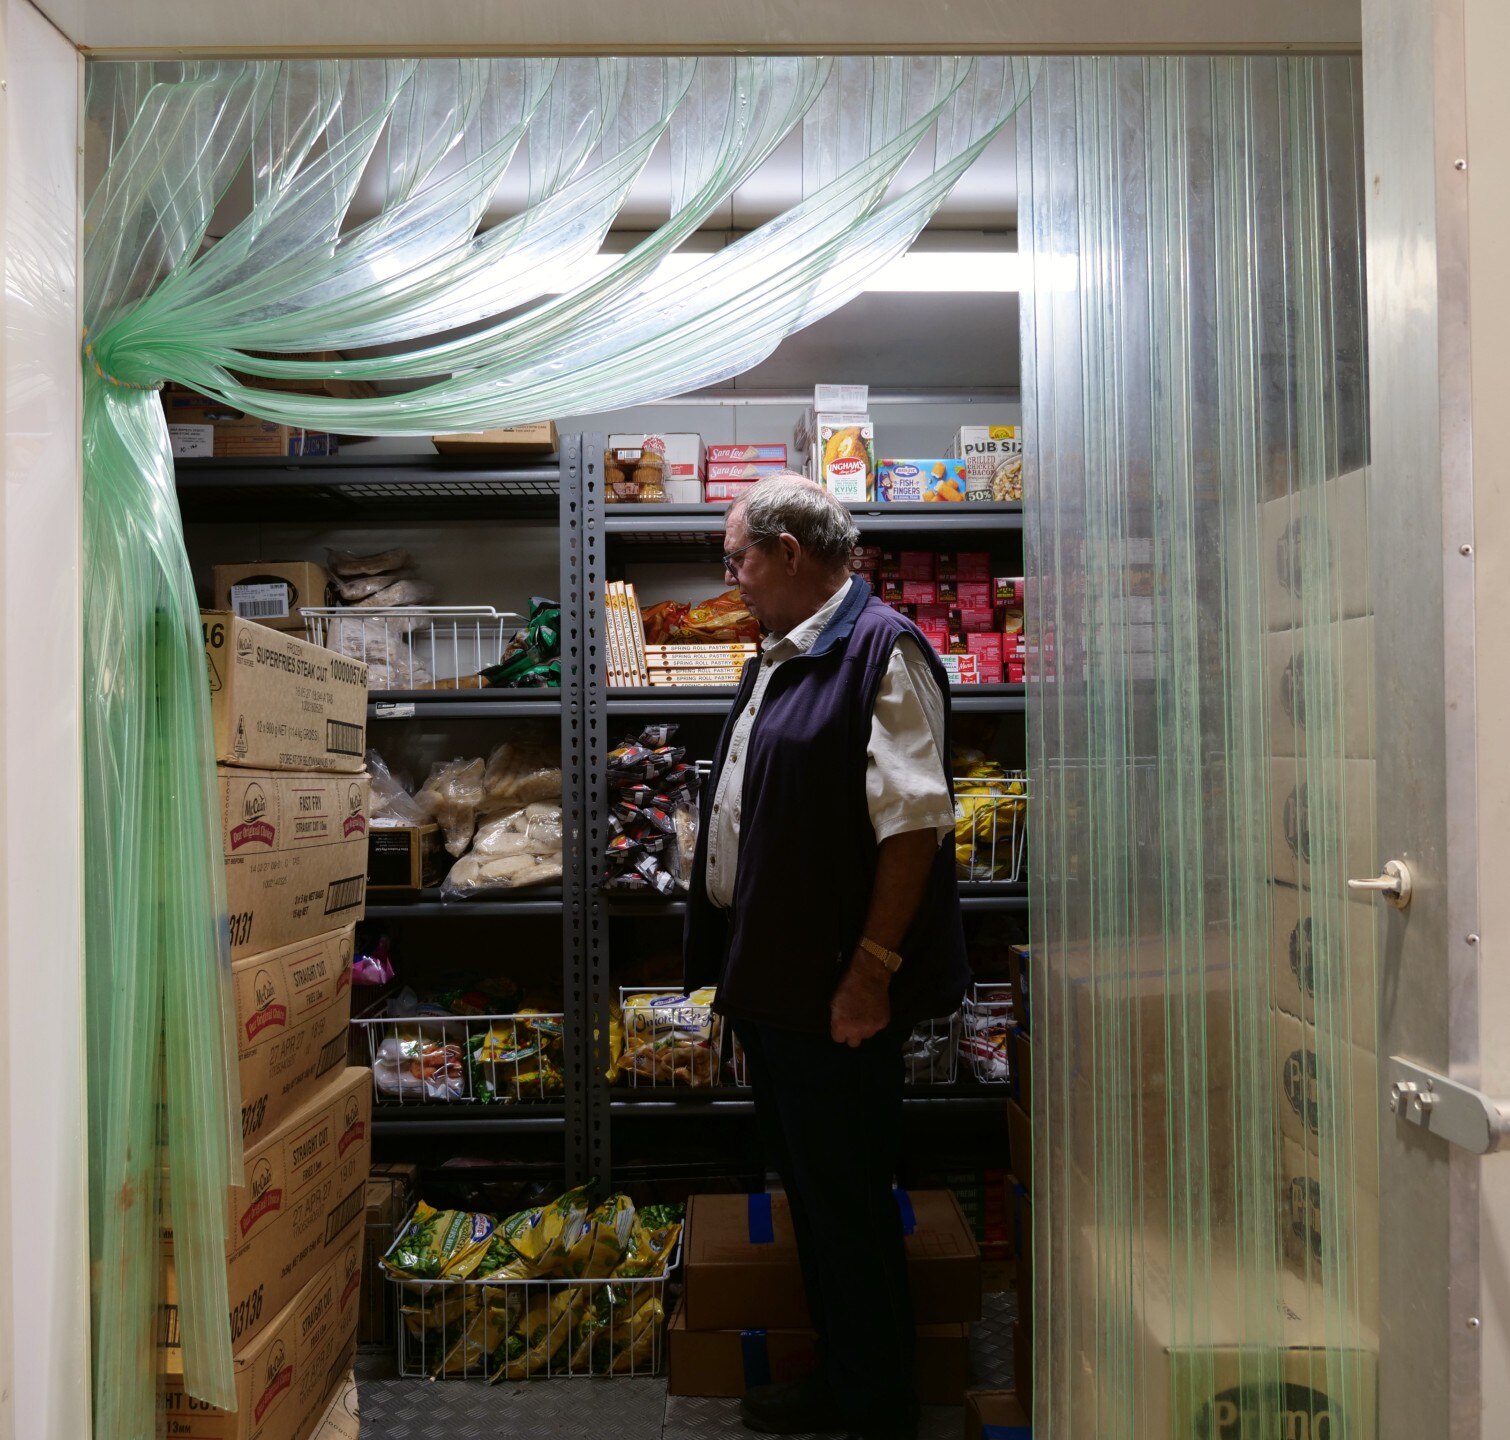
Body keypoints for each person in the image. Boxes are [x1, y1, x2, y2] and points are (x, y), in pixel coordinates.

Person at [684, 475, 968, 1440]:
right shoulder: (787, 651)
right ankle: (845, 1377)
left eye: (737, 560)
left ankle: (876, 1407)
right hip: (778, 983)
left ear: (789, 553)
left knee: (845, 1203)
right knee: (812, 1196)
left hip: (835, 995)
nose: (732, 580)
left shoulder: (882, 653)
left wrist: (869, 972)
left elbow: (915, 830)